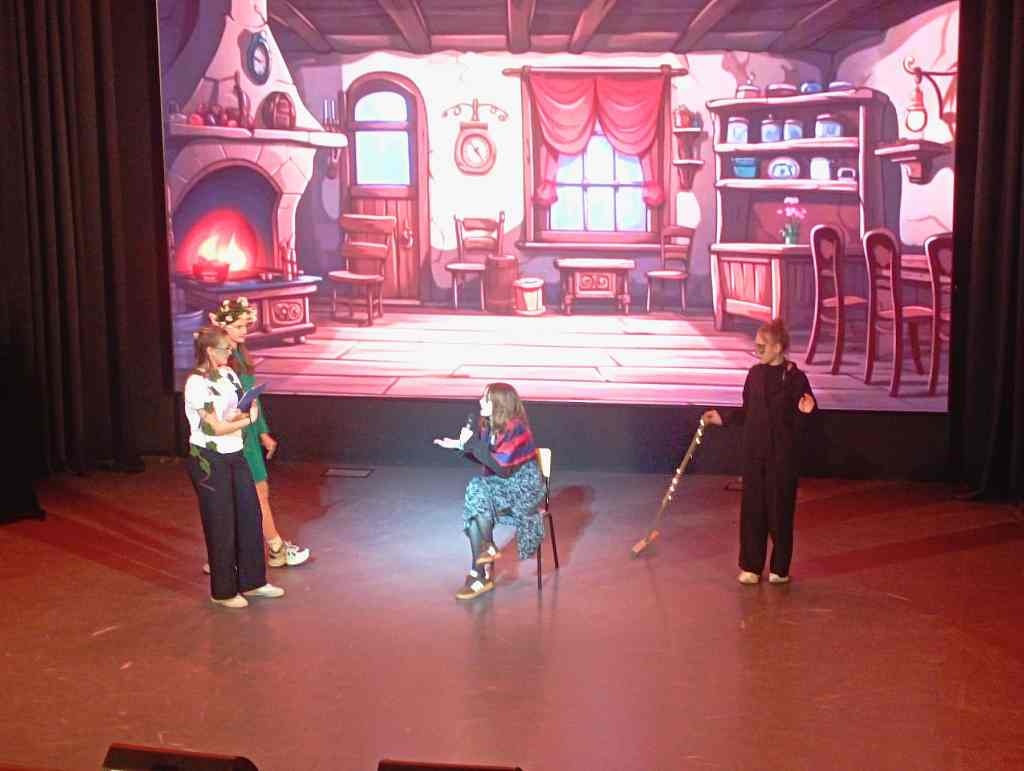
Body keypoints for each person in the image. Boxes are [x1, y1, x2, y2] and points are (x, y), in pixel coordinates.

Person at [702, 318, 816, 586]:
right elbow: (746, 411)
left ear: (778, 347)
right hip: (754, 454)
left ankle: (779, 568)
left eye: (763, 346)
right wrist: (722, 418)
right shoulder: (754, 375)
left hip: (782, 458)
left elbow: (805, 418)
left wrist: (807, 412)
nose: (758, 350)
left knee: (780, 511)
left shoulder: (796, 379)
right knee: (753, 510)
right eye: (756, 345)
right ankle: (751, 566)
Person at [184, 326, 285, 608]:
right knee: (221, 522)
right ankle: (223, 591)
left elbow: (241, 409)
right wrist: (246, 420)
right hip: (209, 458)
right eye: (225, 349)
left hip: (235, 453)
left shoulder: (229, 374)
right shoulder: (196, 383)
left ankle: (253, 581)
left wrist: (245, 414)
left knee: (249, 514)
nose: (230, 354)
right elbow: (214, 427)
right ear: (209, 351)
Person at [207, 297, 310, 570]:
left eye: (245, 325)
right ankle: (273, 548)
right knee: (252, 493)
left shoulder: (240, 355)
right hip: (232, 435)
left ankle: (229, 556)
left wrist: (262, 432)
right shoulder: (218, 362)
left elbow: (252, 399)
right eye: (238, 326)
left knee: (251, 494)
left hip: (247, 432)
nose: (244, 331)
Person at [434, 383, 545, 600]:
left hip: (523, 489)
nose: (480, 401)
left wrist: (471, 444)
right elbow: (486, 458)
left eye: (485, 398)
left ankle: (479, 574)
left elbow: (502, 467)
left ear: (499, 403)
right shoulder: (488, 426)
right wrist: (460, 445)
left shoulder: (517, 428)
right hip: (501, 485)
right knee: (476, 497)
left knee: (477, 493)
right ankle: (484, 556)